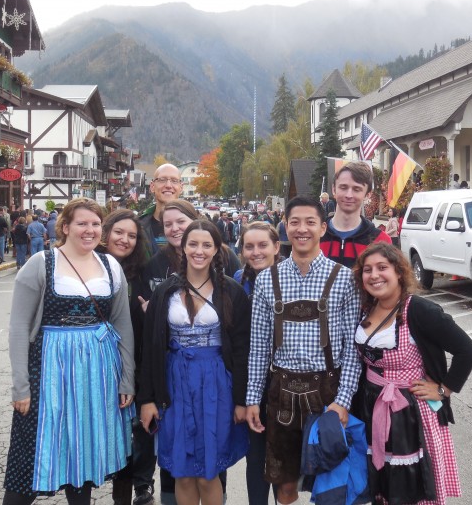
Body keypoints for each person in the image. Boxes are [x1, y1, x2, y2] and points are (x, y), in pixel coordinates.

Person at [4, 198, 135, 505]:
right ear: (65, 227)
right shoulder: (42, 263)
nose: (89, 230)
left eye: (95, 224)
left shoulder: (110, 266)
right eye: (81, 223)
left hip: (97, 373)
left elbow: (123, 325)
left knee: (83, 452)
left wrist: (126, 378)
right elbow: (19, 327)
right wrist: (20, 385)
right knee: (31, 454)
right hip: (48, 370)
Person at [246, 196, 360, 505]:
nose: (302, 229)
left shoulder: (345, 279)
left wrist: (343, 401)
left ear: (323, 227)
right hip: (281, 393)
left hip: (327, 394)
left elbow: (353, 348)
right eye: (295, 222)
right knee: (285, 489)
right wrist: (252, 399)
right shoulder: (266, 280)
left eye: (310, 222)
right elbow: (258, 348)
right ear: (285, 226)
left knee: (330, 486)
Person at [351, 242, 472, 504]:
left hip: (412, 413)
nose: (374, 275)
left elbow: (467, 350)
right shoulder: (365, 309)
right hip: (373, 405)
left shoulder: (419, 310)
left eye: (382, 268)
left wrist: (444, 389)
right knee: (382, 483)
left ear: (399, 272)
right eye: (367, 270)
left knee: (413, 486)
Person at [138, 220, 250, 505]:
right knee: (182, 471)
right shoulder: (165, 291)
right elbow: (150, 349)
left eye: (206, 245)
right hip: (175, 384)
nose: (199, 251)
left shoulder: (231, 291)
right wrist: (148, 399)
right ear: (183, 247)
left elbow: (241, 350)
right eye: (193, 244)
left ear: (216, 249)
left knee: (209, 473)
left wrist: (241, 400)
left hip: (216, 385)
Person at [99, 210, 155, 505]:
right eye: (119, 233)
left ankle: (141, 486)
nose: (125, 240)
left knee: (136, 428)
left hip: (135, 356)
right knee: (113, 429)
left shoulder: (140, 273)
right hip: (100, 360)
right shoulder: (90, 266)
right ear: (106, 233)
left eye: (132, 235)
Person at [233, 221, 280, 505]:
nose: (256, 251)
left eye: (263, 245)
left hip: (285, 379)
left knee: (284, 455)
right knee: (256, 455)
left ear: (276, 247)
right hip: (252, 378)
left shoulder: (287, 278)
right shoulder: (238, 280)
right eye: (249, 246)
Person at [142, 200, 241, 299]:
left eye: (181, 221)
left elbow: (240, 297)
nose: (175, 228)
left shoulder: (226, 256)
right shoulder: (156, 263)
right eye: (168, 224)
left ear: (195, 221)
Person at [320, 161, 391, 268]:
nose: (349, 195)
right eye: (343, 187)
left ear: (368, 194)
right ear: (334, 189)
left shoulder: (380, 240)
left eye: (356, 189)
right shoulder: (315, 235)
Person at [139, 163, 183, 254]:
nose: (168, 185)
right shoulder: (137, 226)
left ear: (181, 188)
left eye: (174, 181)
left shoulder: (195, 226)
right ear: (152, 186)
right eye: (162, 180)